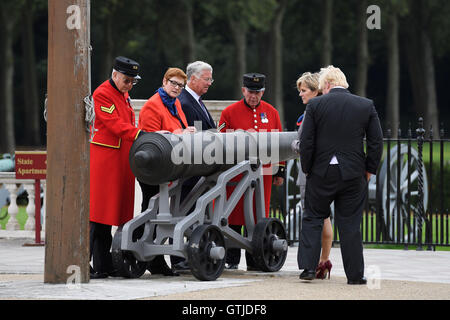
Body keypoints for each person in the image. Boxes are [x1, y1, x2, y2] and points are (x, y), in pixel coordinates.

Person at [297, 65, 383, 284]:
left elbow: (306, 142)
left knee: (313, 218)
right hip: (353, 174)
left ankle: (308, 269)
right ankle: (355, 275)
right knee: (350, 224)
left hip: (321, 172)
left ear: (326, 85)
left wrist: (307, 167)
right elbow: (376, 142)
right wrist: (369, 170)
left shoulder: (315, 105)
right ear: (344, 83)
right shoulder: (365, 105)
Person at [218, 73, 285, 270]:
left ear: (263, 92)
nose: (253, 96)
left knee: (257, 217)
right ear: (243, 91)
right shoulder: (229, 112)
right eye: (250, 92)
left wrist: (279, 170)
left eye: (257, 92)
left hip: (263, 175)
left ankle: (255, 260)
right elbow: (221, 142)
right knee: (233, 215)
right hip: (237, 175)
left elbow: (279, 142)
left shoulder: (271, 112)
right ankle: (231, 260)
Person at [138, 67, 196, 276]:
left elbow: (178, 128)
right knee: (151, 211)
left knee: (157, 211)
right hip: (153, 167)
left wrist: (186, 131)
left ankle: (154, 259)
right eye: (174, 83)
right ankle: (150, 257)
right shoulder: (152, 106)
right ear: (164, 81)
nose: (177, 88)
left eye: (181, 86)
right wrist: (180, 132)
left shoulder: (176, 103)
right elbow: (151, 140)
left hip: (168, 167)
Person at [89, 56, 143, 279]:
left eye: (133, 81)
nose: (129, 85)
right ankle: (83, 262)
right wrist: (140, 134)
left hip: (121, 159)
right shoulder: (102, 93)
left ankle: (103, 264)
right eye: (127, 80)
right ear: (115, 75)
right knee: (96, 215)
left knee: (109, 217)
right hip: (105, 160)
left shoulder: (123, 93)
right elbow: (115, 125)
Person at [170, 61, 216, 271]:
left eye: (210, 79)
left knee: (191, 214)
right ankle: (179, 258)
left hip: (199, 167)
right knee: (184, 213)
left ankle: (186, 255)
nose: (210, 83)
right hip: (191, 169)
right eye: (206, 79)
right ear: (194, 79)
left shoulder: (194, 100)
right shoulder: (186, 102)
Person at [292, 72, 333, 279]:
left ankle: (314, 263)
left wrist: (294, 144)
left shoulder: (310, 113)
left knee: (313, 218)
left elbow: (304, 145)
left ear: (316, 91)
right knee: (325, 218)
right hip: (327, 171)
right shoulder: (329, 111)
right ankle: (324, 259)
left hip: (310, 173)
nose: (300, 94)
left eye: (304, 90)